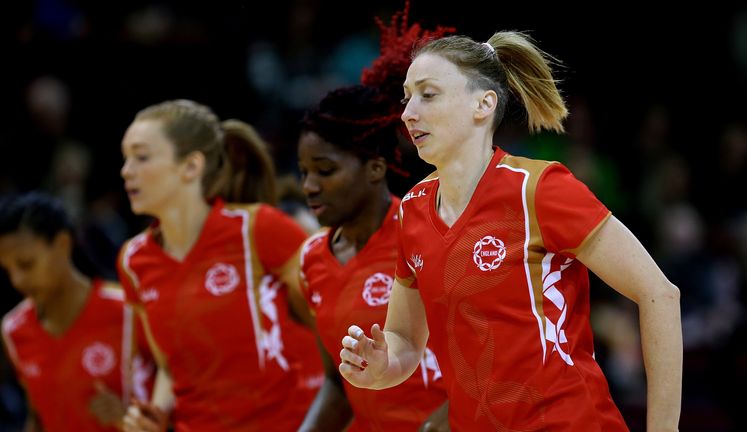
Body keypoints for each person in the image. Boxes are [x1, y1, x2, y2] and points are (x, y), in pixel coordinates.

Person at [339, 32, 682, 431]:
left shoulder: (539, 189)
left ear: (483, 104)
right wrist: (380, 365)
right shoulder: (411, 209)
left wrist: (663, 429)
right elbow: (405, 341)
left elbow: (658, 293)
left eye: (427, 95)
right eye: (406, 97)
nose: (408, 112)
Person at [117, 99, 323, 431]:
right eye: (126, 158)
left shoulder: (258, 228)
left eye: (141, 157)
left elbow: (329, 319)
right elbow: (170, 368)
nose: (126, 171)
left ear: (191, 166)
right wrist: (153, 416)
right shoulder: (132, 260)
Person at [296, 5, 452, 431]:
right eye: (304, 171)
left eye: (325, 171)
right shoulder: (311, 259)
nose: (309, 185)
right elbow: (336, 381)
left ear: (375, 168)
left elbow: (497, 353)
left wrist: (446, 420)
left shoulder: (430, 229)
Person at [0, 192, 155, 431]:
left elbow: (170, 404)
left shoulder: (128, 311)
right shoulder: (14, 329)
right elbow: (37, 417)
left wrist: (128, 418)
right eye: (8, 270)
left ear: (62, 243)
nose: (17, 280)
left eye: (26, 264)